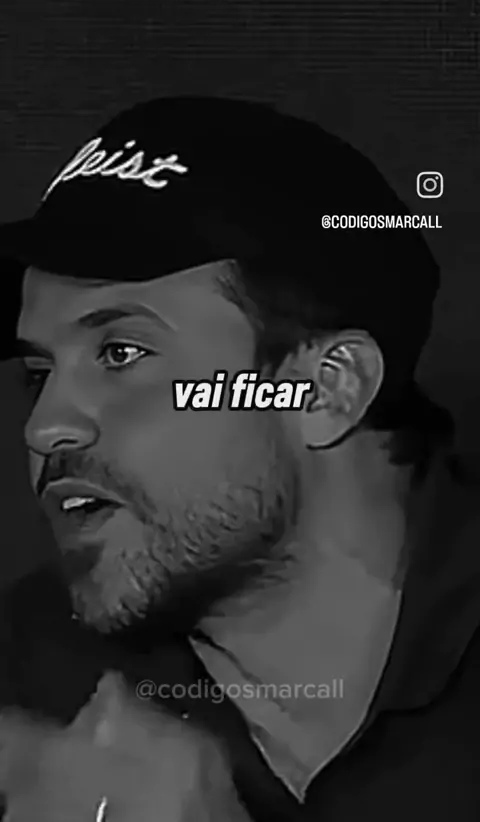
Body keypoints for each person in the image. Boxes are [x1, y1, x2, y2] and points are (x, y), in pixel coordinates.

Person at [0, 96, 478, 821]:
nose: (45, 428)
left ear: (326, 389)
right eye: (38, 374)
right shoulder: (27, 688)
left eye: (120, 352)